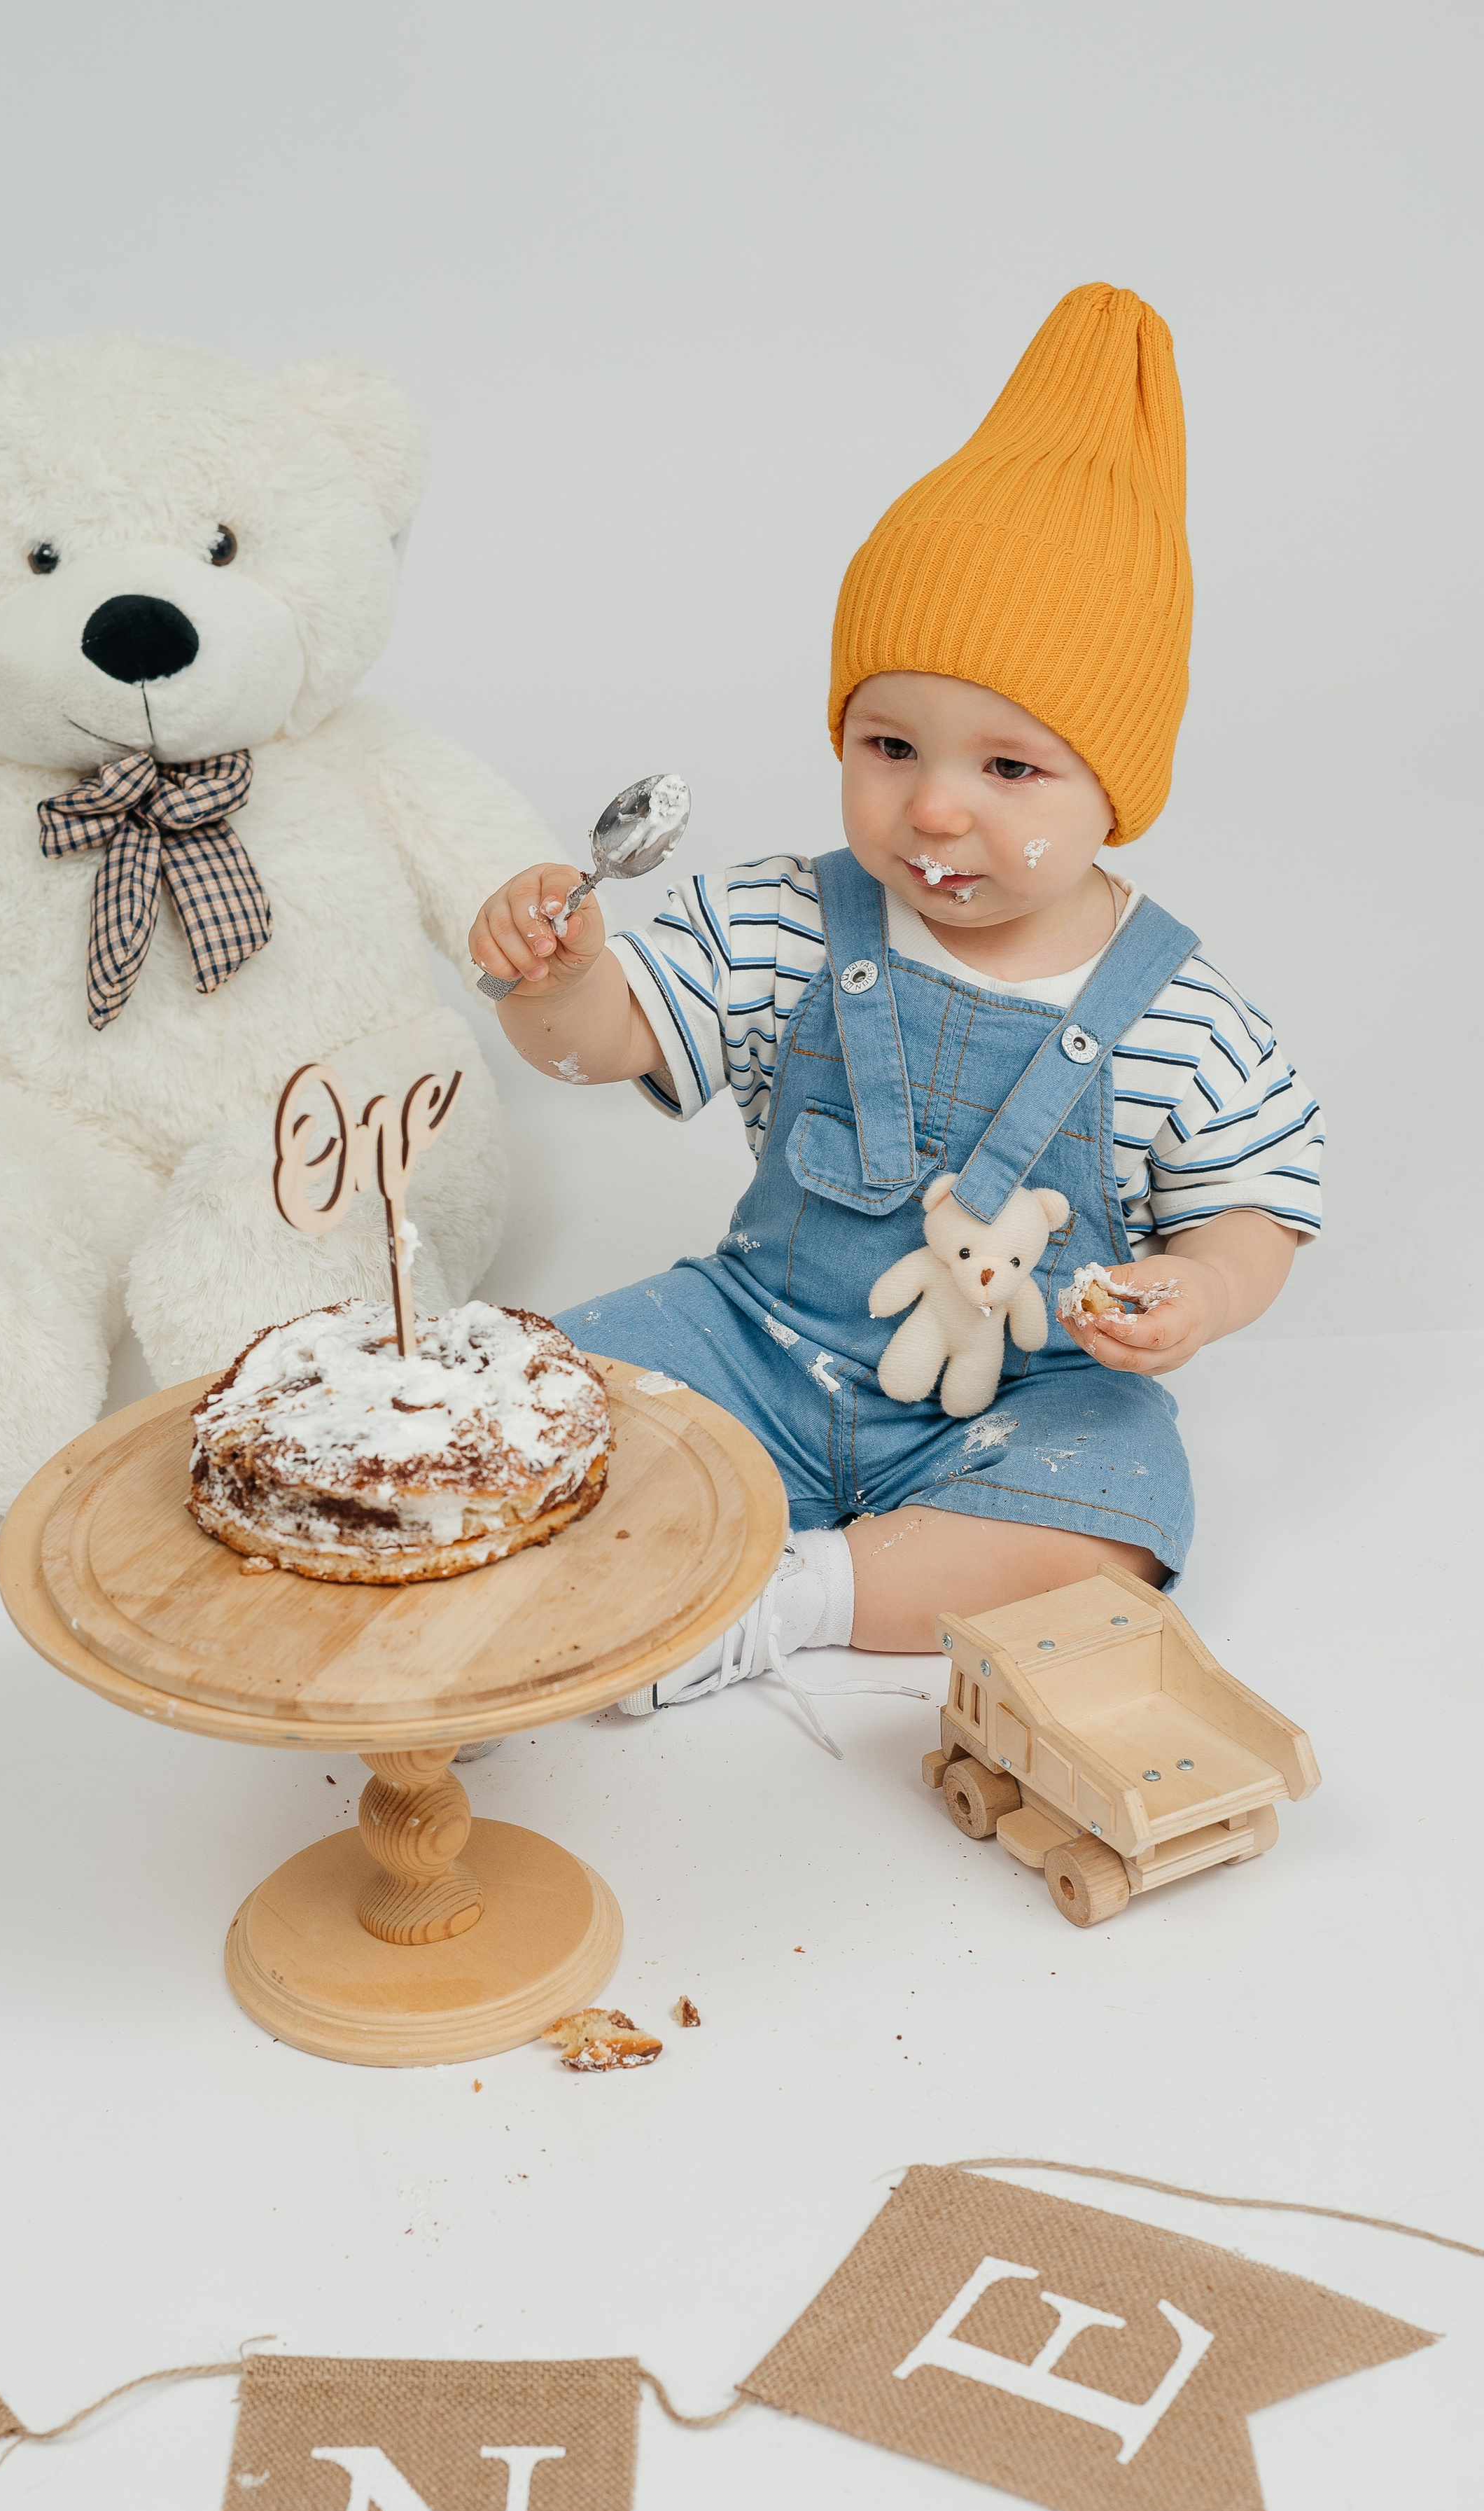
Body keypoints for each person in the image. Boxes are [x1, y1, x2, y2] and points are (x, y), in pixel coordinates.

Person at [467, 286, 1320, 1742]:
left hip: (1029, 1388)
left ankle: (789, 1594)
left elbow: (1252, 1208)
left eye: (1009, 769)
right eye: (889, 744)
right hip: (757, 1335)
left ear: (1116, 788)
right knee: (529, 1394)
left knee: (1107, 1522)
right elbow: (602, 1045)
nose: (932, 803)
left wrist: (1202, 1293)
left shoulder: (1179, 1007)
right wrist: (555, 982)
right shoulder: (786, 919)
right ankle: (499, 1604)